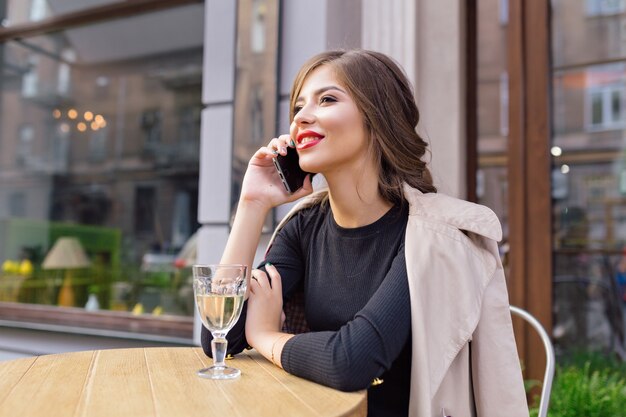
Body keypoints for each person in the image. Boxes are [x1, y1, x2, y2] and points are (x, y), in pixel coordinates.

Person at [201, 49, 528, 417]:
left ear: (377, 117)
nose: (301, 118)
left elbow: (351, 360)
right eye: (298, 107)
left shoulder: (431, 237)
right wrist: (252, 204)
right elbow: (221, 336)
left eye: (326, 99)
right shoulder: (304, 226)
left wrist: (265, 337)